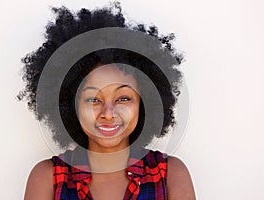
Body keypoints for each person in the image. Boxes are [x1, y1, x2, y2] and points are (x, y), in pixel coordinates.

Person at [18, 2, 195, 200]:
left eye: (124, 98)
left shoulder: (170, 175)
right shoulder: (47, 179)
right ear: (70, 105)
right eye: (94, 99)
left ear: (143, 103)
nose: (108, 113)